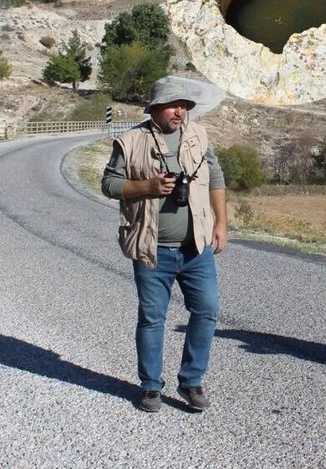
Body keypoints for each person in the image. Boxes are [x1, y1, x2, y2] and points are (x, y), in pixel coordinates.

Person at [101, 77, 227, 413]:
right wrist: (147, 187)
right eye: (174, 105)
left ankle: (191, 381)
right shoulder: (130, 141)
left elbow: (216, 178)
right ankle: (151, 387)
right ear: (155, 108)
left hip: (196, 247)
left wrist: (222, 223)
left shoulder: (198, 136)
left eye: (185, 105)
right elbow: (109, 184)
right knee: (153, 317)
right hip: (152, 247)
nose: (180, 111)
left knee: (207, 310)